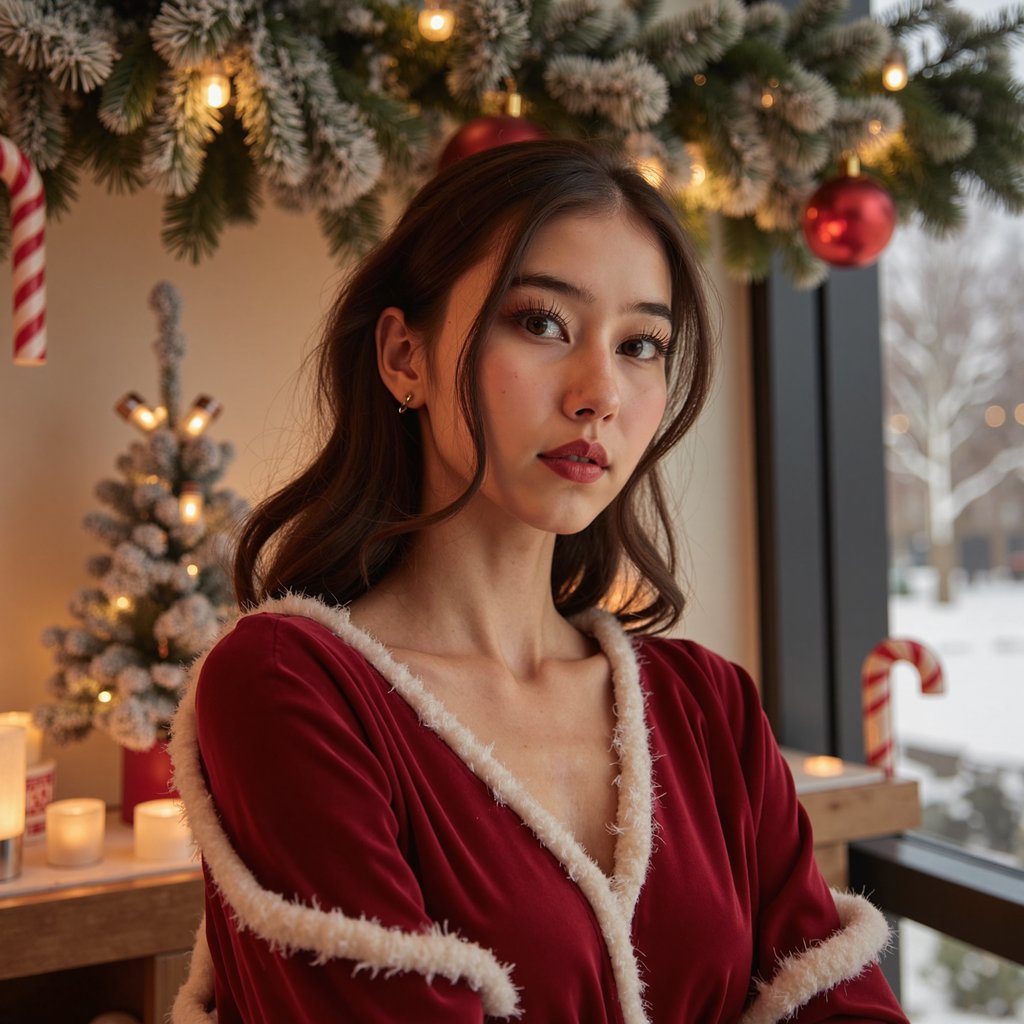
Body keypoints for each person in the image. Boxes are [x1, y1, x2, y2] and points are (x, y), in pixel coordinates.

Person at [169, 140, 909, 1023]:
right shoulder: (289, 686)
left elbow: (844, 1006)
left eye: (641, 343)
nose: (600, 392)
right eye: (542, 323)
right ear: (405, 356)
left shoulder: (709, 708)